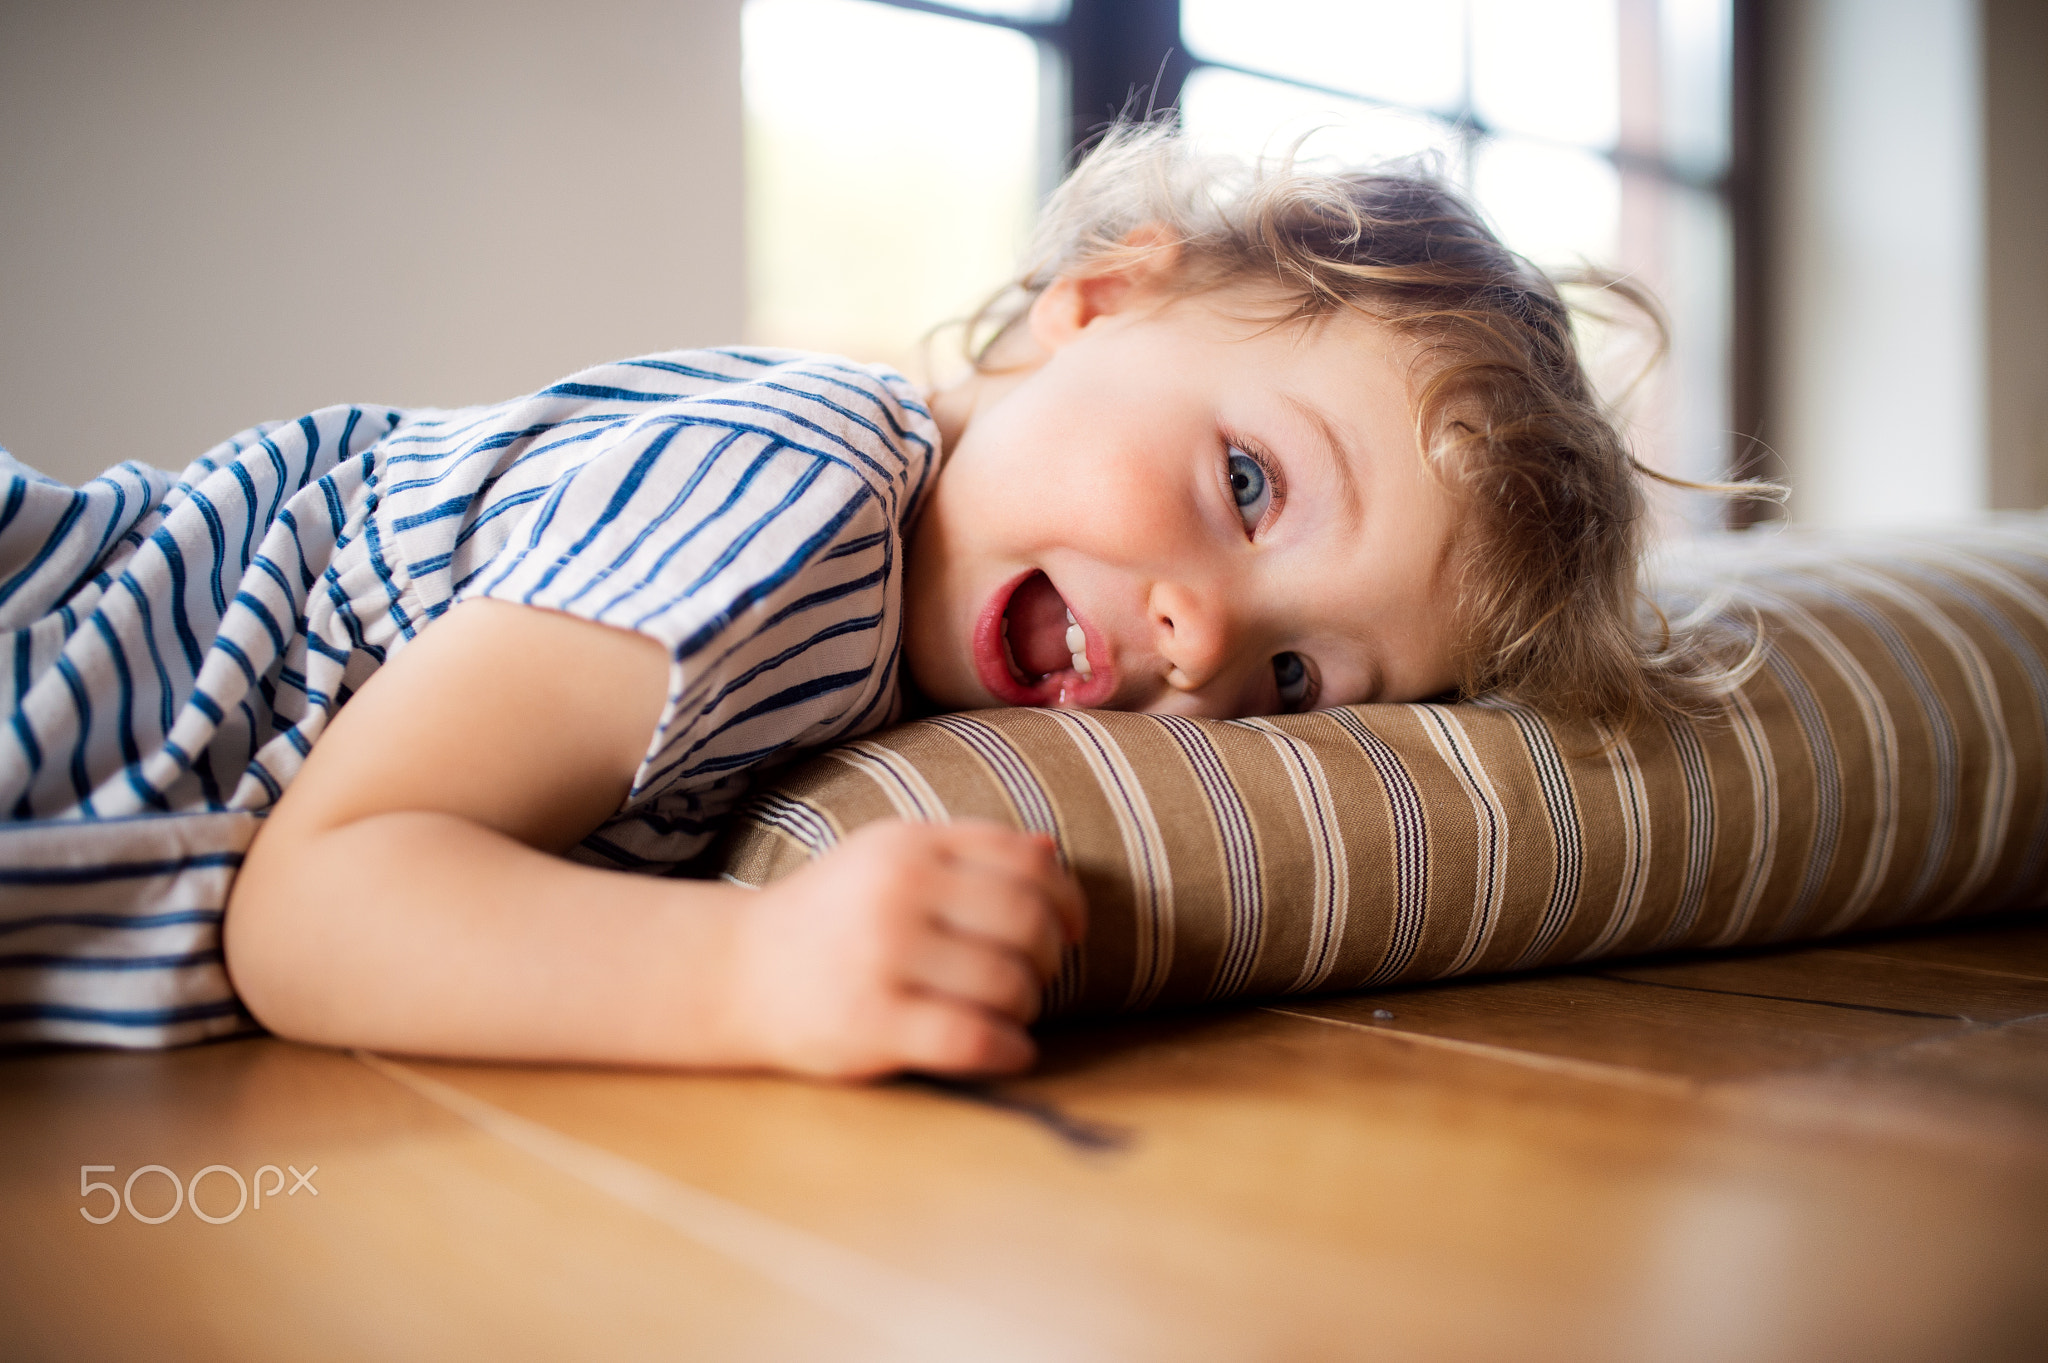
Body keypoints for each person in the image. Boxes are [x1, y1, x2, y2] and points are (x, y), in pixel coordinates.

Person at [0, 123, 1742, 1074]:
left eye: (1296, 676)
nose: (1204, 643)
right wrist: (756, 975)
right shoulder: (794, 494)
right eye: (1245, 485)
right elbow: (318, 908)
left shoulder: (858, 642)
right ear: (1094, 304)